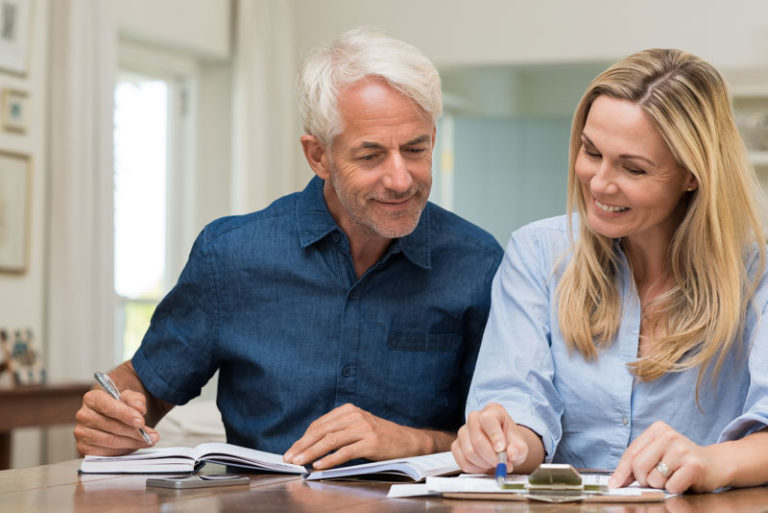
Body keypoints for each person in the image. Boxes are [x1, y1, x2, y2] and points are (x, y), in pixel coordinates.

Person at [74, 28, 503, 470]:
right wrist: (111, 420)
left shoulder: (477, 263)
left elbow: (501, 441)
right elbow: (145, 389)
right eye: (370, 156)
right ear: (318, 156)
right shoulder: (230, 256)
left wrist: (406, 441)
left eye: (416, 149)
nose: (400, 179)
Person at [451, 48, 768, 494]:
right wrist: (504, 443)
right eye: (591, 151)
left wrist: (712, 461)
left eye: (633, 167)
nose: (599, 183)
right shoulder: (538, 253)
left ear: (693, 175)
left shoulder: (758, 278)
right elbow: (521, 409)